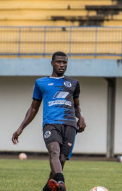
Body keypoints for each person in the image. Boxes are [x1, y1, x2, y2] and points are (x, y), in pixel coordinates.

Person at [12, 51, 86, 191]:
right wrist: (21, 127)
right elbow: (33, 108)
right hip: (50, 123)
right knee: (54, 151)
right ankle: (62, 184)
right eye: (58, 62)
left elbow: (77, 106)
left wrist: (81, 117)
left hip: (69, 124)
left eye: (64, 62)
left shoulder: (74, 83)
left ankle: (47, 188)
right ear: (52, 63)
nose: (61, 65)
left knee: (62, 159)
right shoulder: (41, 83)